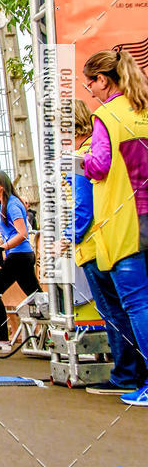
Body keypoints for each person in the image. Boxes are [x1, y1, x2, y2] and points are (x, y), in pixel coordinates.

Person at [82, 49, 148, 406]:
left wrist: (82, 163)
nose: (88, 90)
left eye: (89, 83)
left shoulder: (106, 115)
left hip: (127, 223)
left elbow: (100, 165)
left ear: (103, 80)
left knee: (138, 304)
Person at [0, 171, 42, 352]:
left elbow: (23, 233)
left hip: (20, 256)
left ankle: (3, 339)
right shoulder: (2, 205)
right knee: (36, 296)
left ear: (1, 185)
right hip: (17, 256)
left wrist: (4, 247)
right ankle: (53, 328)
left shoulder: (12, 205)